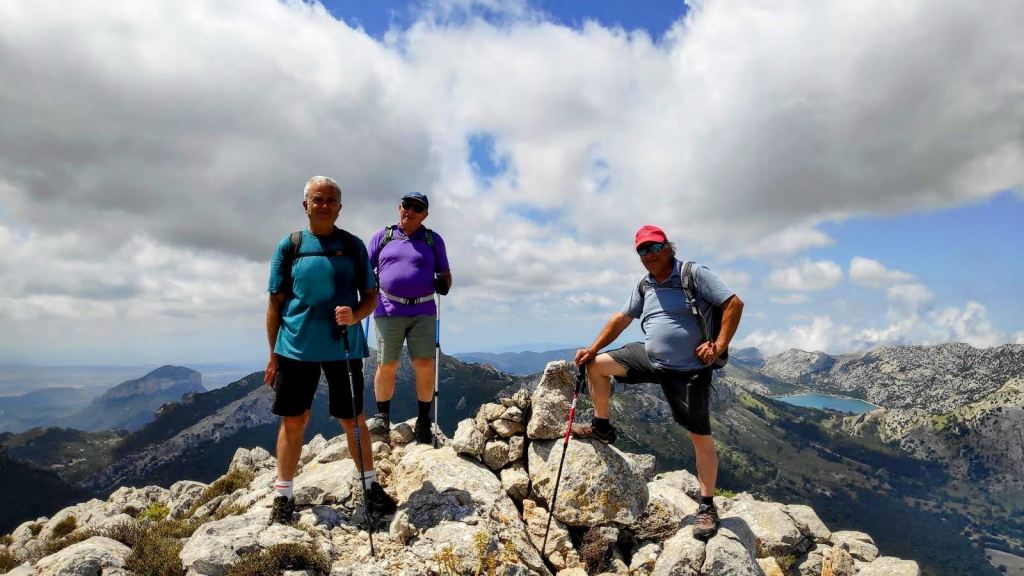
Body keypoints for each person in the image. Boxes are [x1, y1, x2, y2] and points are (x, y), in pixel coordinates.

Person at [572, 224, 743, 541]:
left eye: (653, 247)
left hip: (689, 370)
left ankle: (706, 506)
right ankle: (601, 426)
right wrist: (592, 349)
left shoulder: (692, 274)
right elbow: (621, 319)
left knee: (699, 437)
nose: (648, 255)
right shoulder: (644, 286)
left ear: (667, 247)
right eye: (642, 250)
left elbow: (734, 303)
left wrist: (717, 345)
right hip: (652, 360)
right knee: (596, 366)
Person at [264, 175, 396, 525]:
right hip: (295, 347)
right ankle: (283, 494)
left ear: (340, 206)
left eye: (331, 200)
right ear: (305, 205)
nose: (324, 205)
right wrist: (273, 355)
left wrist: (354, 315)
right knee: (294, 420)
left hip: (344, 346)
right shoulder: (290, 246)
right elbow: (275, 304)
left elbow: (371, 298)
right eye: (317, 199)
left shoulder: (353, 247)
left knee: (353, 419)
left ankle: (370, 486)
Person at [366, 192, 452, 444]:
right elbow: (364, 268)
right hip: (387, 308)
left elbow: (446, 273)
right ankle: (382, 417)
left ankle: (423, 422)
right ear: (399, 207)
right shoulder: (383, 237)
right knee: (387, 364)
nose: (410, 211)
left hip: (423, 310)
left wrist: (443, 284)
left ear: (424, 214)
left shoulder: (432, 240)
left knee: (424, 365)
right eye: (406, 205)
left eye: (417, 208)